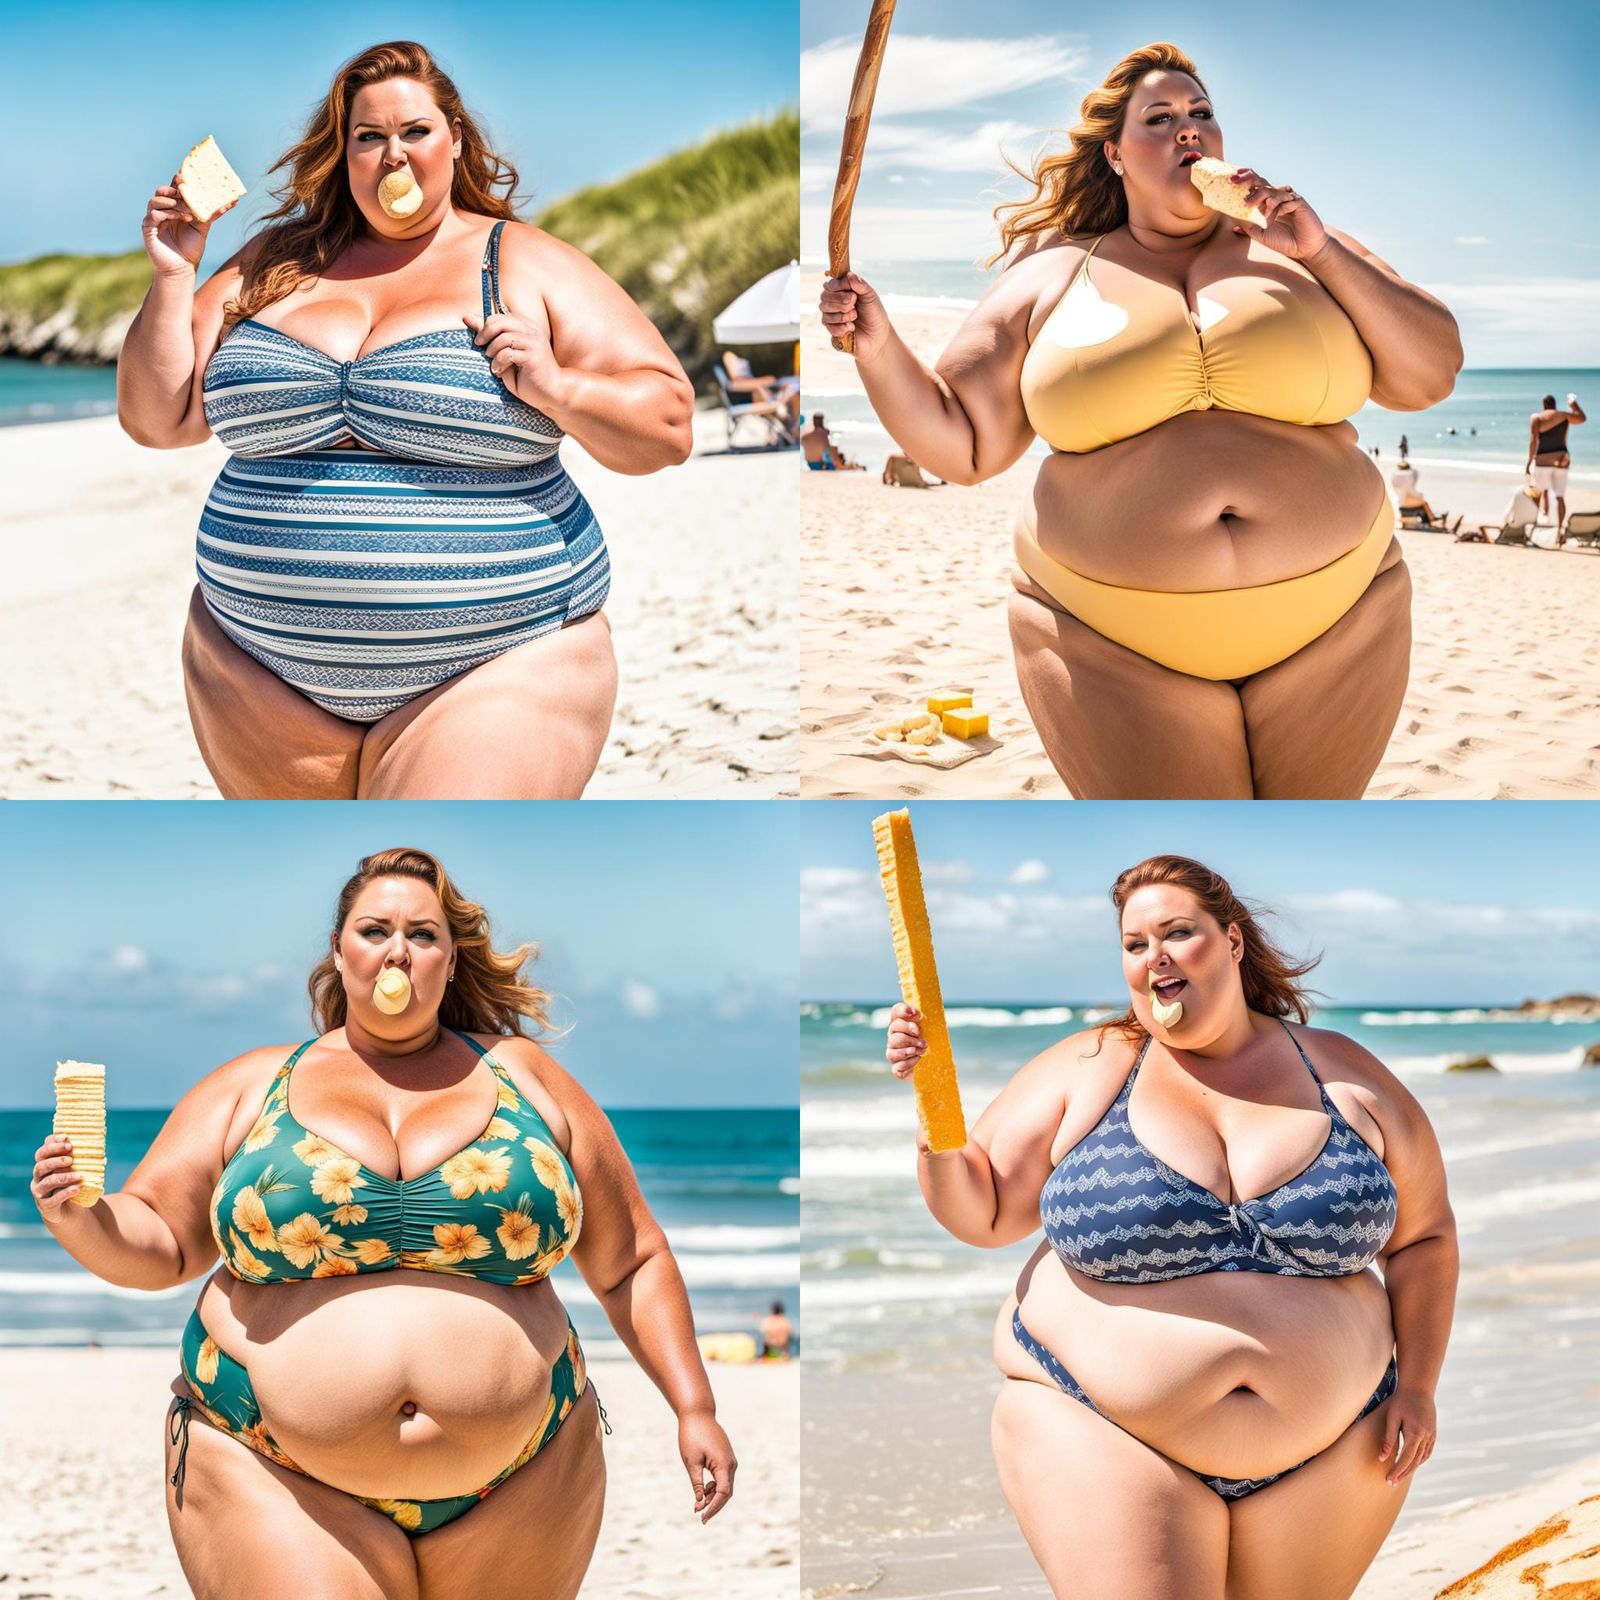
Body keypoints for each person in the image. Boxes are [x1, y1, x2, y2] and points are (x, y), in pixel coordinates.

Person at [31, 847, 735, 1600]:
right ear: (339, 950)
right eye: (375, 930)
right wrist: (83, 1218)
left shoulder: (526, 1077)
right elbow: (161, 1243)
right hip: (271, 1468)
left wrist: (695, 1407)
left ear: (451, 961)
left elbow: (630, 1260)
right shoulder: (252, 1084)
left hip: (529, 1475)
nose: (399, 950)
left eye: (423, 935)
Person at [821, 42, 1460, 799]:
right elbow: (963, 443)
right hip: (1107, 639)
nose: (1189, 129)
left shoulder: (1305, 250)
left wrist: (1320, 251)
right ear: (1116, 155)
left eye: (1202, 114)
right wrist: (877, 344)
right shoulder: (1054, 270)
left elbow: (1430, 374)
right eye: (1160, 118)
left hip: (1343, 617)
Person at [118, 41, 695, 801]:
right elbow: (158, 420)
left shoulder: (520, 260)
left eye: (415, 132)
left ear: (454, 139)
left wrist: (557, 387)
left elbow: (668, 424)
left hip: (498, 665)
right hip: (251, 674)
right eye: (368, 137)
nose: (393, 157)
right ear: (344, 152)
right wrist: (173, 273)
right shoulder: (274, 261)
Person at [882, 854, 1456, 1600]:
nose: (1153, 956)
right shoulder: (1092, 1065)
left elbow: (1425, 1239)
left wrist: (1420, 1386)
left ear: (1233, 942)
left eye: (1176, 932)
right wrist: (932, 1109)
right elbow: (984, 1211)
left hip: (1338, 1449)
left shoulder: (1345, 1075)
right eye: (1133, 943)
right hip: (1105, 1434)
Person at [1527, 391, 1586, 542]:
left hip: (1543, 459)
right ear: (1554, 404)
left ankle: (1534, 526)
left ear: (1544, 405)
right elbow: (1582, 418)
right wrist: (1573, 404)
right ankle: (1560, 530)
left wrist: (1529, 461)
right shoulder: (1564, 415)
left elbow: (1534, 441)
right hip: (1562, 458)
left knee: (1539, 493)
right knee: (1560, 497)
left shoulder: (1537, 417)